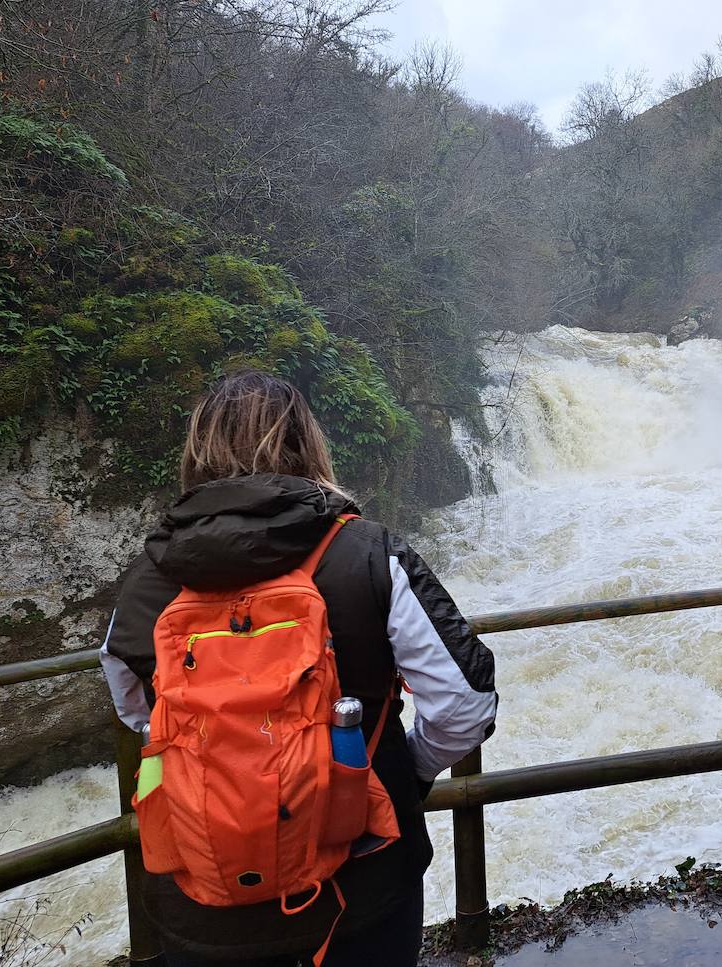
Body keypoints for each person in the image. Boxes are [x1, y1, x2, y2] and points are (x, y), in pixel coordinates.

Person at [99, 370, 497, 967]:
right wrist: (403, 772)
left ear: (195, 452)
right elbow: (464, 705)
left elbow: (138, 713)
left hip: (201, 900)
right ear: (307, 443)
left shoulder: (149, 580)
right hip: (360, 879)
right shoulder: (365, 553)